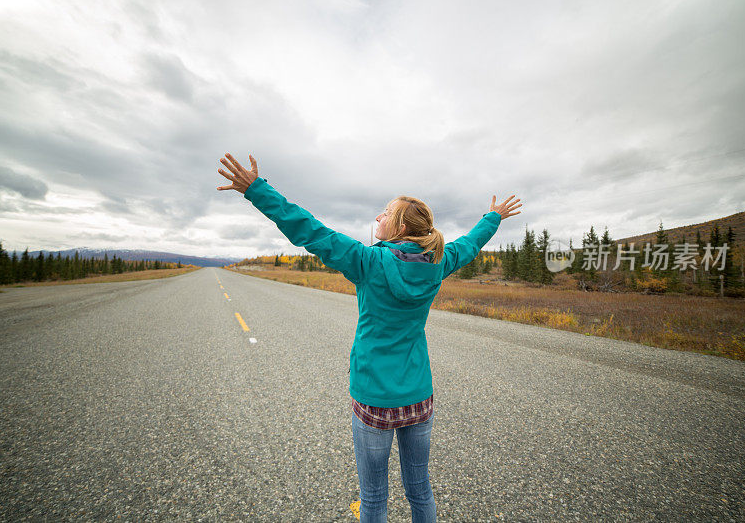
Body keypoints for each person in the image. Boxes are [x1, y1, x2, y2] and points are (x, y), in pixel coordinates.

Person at [216, 153, 522, 522]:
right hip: (418, 398)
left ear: (401, 228)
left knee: (374, 497)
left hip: (373, 400)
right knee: (420, 490)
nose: (377, 217)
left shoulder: (367, 261)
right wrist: (494, 217)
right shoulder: (440, 260)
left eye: (385, 213)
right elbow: (472, 243)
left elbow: (310, 231)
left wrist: (256, 190)